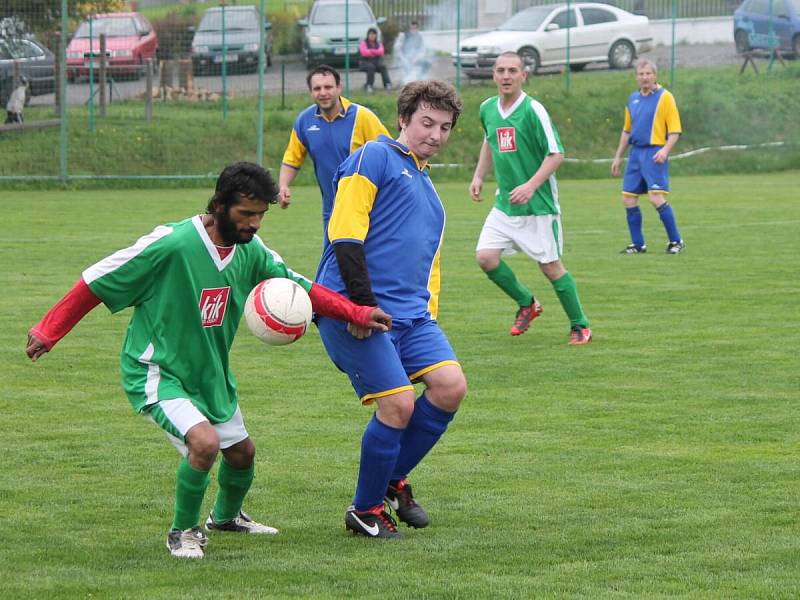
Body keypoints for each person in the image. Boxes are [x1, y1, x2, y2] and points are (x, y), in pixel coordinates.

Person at [25, 162, 392, 558]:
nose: (254, 224)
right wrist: (50, 330)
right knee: (205, 444)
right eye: (246, 214)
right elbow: (96, 280)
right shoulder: (171, 244)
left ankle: (226, 517)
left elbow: (299, 286)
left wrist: (357, 312)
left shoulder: (251, 251)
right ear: (219, 206)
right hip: (157, 369)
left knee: (242, 453)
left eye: (260, 215)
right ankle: (182, 531)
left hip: (209, 373)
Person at [315, 80, 467, 539]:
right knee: (398, 405)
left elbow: (428, 268)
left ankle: (391, 480)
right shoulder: (373, 157)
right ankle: (365, 510)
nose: (435, 134)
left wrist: (428, 317)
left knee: (449, 386)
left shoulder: (432, 193)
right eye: (426, 122)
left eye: (444, 127)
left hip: (412, 317)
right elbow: (344, 233)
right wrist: (359, 306)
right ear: (403, 119)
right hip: (353, 309)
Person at [469, 52, 591, 345]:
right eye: (501, 70)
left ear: (524, 75)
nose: (506, 76)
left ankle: (580, 325)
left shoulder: (534, 110)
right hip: (505, 204)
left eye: (513, 70)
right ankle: (527, 303)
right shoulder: (487, 108)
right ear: (494, 76)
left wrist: (531, 185)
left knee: (550, 267)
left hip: (539, 206)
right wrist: (478, 176)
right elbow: (489, 141)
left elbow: (556, 153)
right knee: (485, 257)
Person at [279, 65, 389, 238]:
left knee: (366, 261)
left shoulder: (363, 117)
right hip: (331, 210)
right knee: (334, 262)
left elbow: (389, 154)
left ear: (339, 87)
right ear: (310, 92)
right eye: (317, 88)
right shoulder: (304, 121)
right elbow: (293, 158)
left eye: (328, 87)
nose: (323, 92)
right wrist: (283, 185)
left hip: (368, 208)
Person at [611, 58, 685, 254]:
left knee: (655, 198)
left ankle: (676, 241)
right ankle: (638, 244)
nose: (645, 77)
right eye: (641, 74)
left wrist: (665, 150)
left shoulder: (665, 97)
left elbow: (675, 130)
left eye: (648, 74)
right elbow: (627, 131)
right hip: (636, 154)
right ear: (636, 77)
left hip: (654, 153)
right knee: (628, 199)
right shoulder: (632, 99)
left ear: (655, 75)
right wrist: (618, 156)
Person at [358, 27, 392, 93]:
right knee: (371, 67)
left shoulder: (379, 43)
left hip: (376, 61)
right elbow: (364, 53)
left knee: (383, 66)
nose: (372, 36)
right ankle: (369, 86)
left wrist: (371, 51)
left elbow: (381, 52)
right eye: (370, 34)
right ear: (368, 35)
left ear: (376, 35)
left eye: (373, 34)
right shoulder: (363, 43)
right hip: (365, 62)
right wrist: (375, 52)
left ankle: (387, 84)